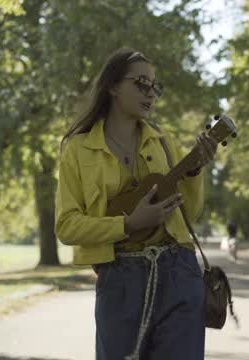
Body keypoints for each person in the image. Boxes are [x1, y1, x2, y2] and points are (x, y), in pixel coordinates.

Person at [54, 48, 218, 360]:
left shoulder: (162, 141)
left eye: (154, 86)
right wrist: (128, 224)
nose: (150, 93)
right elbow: (66, 226)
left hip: (178, 272)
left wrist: (195, 171)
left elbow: (188, 215)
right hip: (119, 277)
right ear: (112, 86)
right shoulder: (77, 149)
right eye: (141, 83)